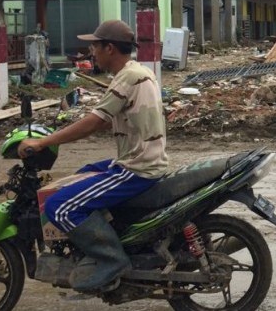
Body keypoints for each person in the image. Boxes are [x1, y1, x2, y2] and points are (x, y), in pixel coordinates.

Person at [18, 19, 168, 292]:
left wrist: (44, 143)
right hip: (144, 159)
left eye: (95, 47)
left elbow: (94, 122)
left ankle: (112, 260)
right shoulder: (139, 72)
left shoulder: (127, 77)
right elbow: (113, 118)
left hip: (136, 168)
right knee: (84, 172)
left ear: (109, 48)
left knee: (59, 207)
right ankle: (106, 240)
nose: (91, 53)